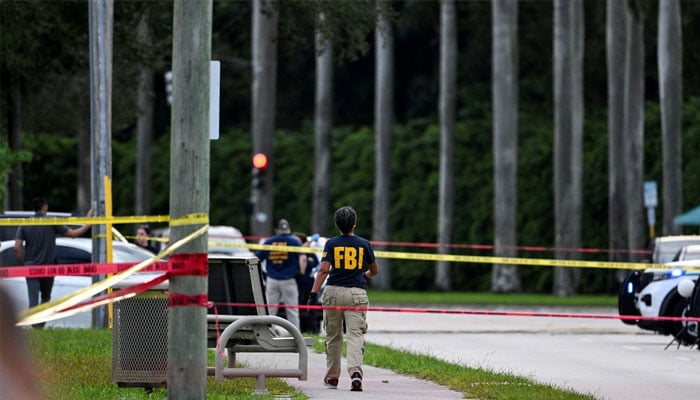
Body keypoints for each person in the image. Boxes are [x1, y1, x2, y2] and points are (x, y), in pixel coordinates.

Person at [308, 206, 379, 392]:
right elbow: (375, 270)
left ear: (336, 224)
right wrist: (366, 274)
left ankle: (332, 377)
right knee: (355, 335)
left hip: (333, 292)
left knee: (333, 336)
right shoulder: (364, 244)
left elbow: (323, 270)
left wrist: (313, 293)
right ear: (354, 223)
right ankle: (355, 373)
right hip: (356, 293)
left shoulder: (331, 243)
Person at [14, 197, 93, 328]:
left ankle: (34, 329)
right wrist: (89, 223)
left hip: (31, 268)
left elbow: (17, 247)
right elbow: (73, 234)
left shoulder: (24, 223)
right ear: (45, 207)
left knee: (33, 301)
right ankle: (40, 326)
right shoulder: (52, 221)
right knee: (45, 298)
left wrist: (23, 264)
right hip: (48, 267)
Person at [255, 218, 306, 330]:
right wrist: (300, 274)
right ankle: (295, 336)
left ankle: (268, 333)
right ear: (288, 229)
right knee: (292, 310)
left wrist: (262, 274)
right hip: (289, 280)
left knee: (270, 309)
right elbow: (303, 259)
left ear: (277, 230)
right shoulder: (294, 242)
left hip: (272, 279)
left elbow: (256, 258)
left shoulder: (269, 242)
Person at [295, 232, 321, 334]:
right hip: (299, 284)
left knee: (311, 308)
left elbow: (317, 266)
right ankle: (301, 329)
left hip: (310, 285)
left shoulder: (311, 255)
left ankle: (313, 330)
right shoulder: (296, 252)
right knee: (299, 307)